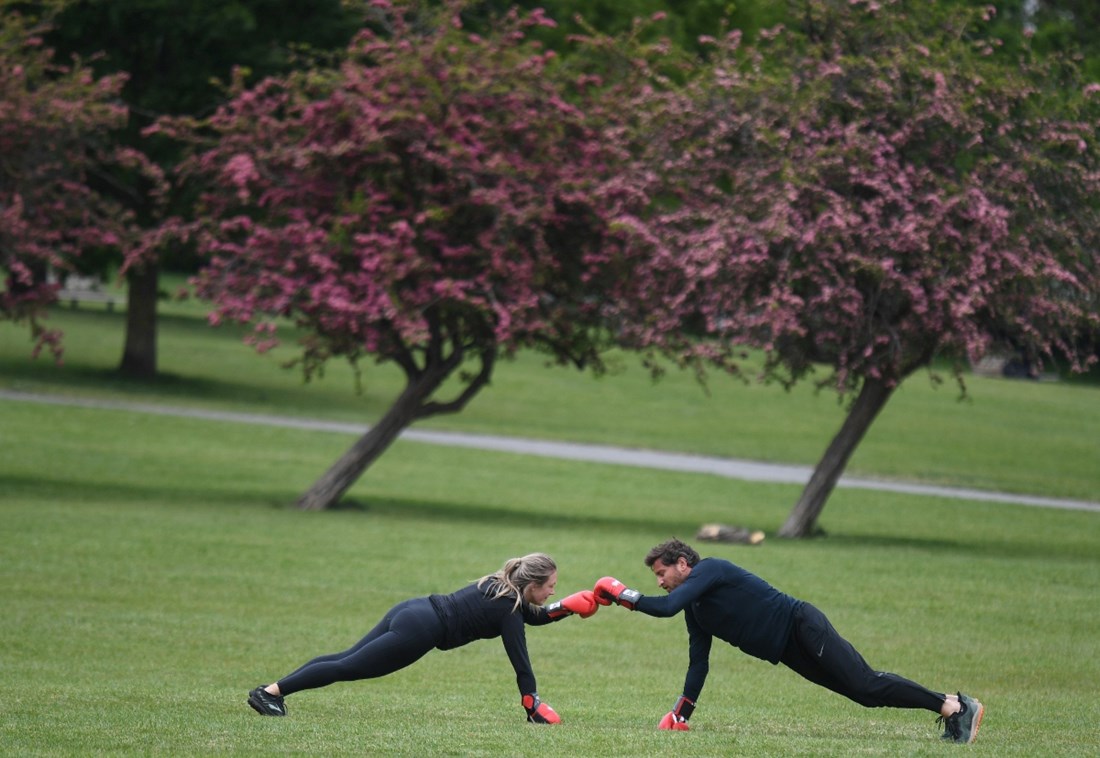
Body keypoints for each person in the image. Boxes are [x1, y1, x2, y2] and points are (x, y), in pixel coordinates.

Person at [593, 538, 984, 744]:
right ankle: (952, 706)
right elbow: (699, 663)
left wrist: (623, 593)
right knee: (862, 692)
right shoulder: (696, 608)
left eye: (662, 573)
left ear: (683, 563)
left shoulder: (710, 569)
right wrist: (682, 714)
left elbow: (664, 608)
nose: (659, 582)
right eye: (655, 578)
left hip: (801, 625)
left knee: (864, 681)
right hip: (789, 650)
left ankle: (955, 707)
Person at [248, 552, 598, 723]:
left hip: (412, 609)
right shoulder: (507, 609)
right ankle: (269, 694)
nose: (554, 591)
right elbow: (520, 661)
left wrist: (566, 607)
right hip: (421, 630)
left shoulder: (502, 588)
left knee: (345, 658)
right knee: (349, 667)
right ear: (532, 585)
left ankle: (273, 690)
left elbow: (532, 618)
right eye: (551, 587)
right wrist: (531, 703)